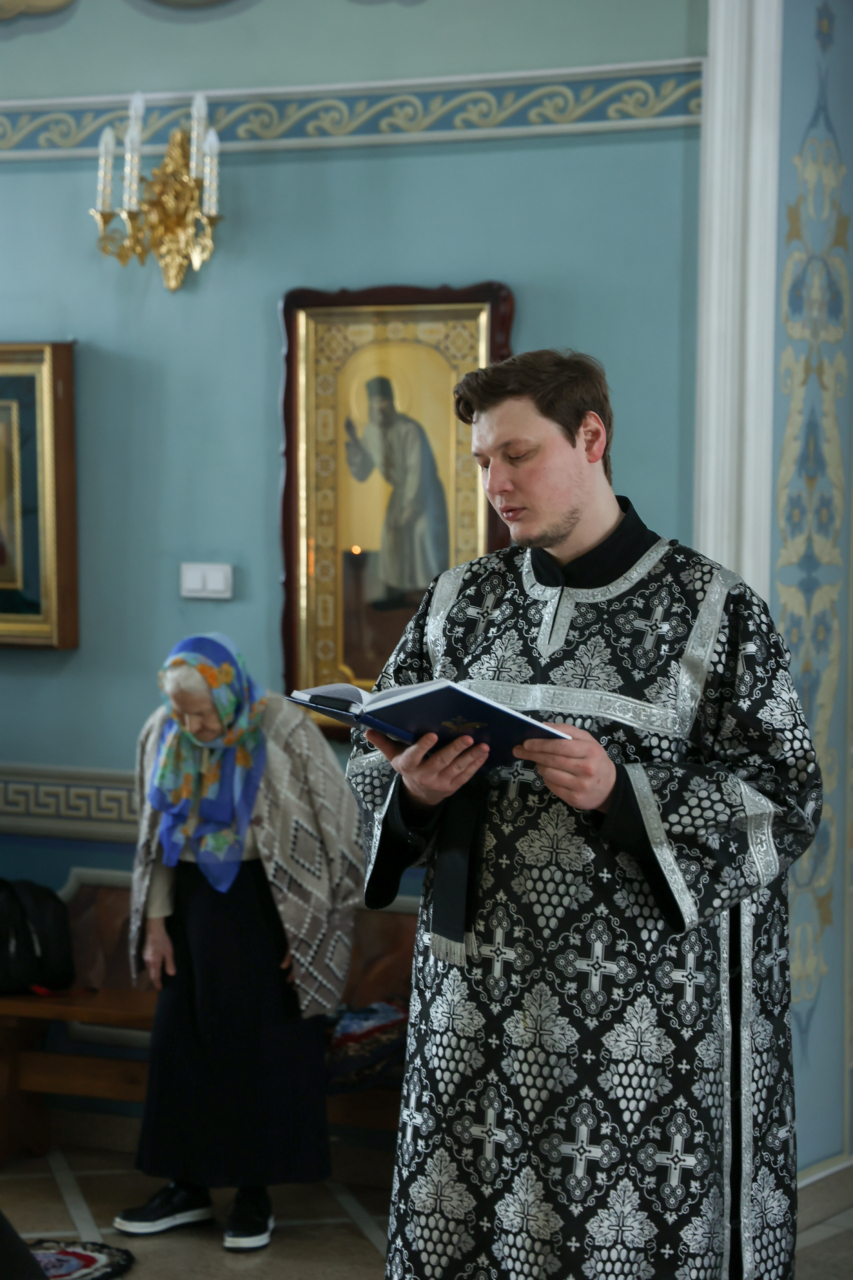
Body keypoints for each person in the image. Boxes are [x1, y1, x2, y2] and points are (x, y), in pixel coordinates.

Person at [346, 351, 821, 1280]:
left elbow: (784, 799)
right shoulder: (456, 602)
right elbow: (371, 764)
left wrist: (622, 792)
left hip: (640, 1023)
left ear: (591, 438)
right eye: (483, 461)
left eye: (517, 455)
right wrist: (414, 791)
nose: (496, 485)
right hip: (473, 1008)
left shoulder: (713, 609)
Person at [116, 633, 362, 1251]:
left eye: (201, 712)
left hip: (271, 904)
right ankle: (187, 1187)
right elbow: (154, 837)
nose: (192, 725)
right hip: (190, 902)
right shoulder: (163, 731)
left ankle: (255, 1195)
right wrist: (154, 924)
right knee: (182, 1044)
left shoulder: (282, 727)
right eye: (181, 711)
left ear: (227, 692)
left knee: (263, 1049)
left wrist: (315, 929)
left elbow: (341, 826)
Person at [345, 375, 449, 598]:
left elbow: (416, 472)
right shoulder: (371, 432)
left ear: (392, 402)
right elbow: (362, 472)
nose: (379, 408)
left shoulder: (410, 429)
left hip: (425, 495)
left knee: (422, 535)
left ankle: (431, 598)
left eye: (383, 401)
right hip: (400, 494)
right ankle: (396, 597)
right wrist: (353, 441)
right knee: (390, 539)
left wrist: (408, 510)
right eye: (375, 403)